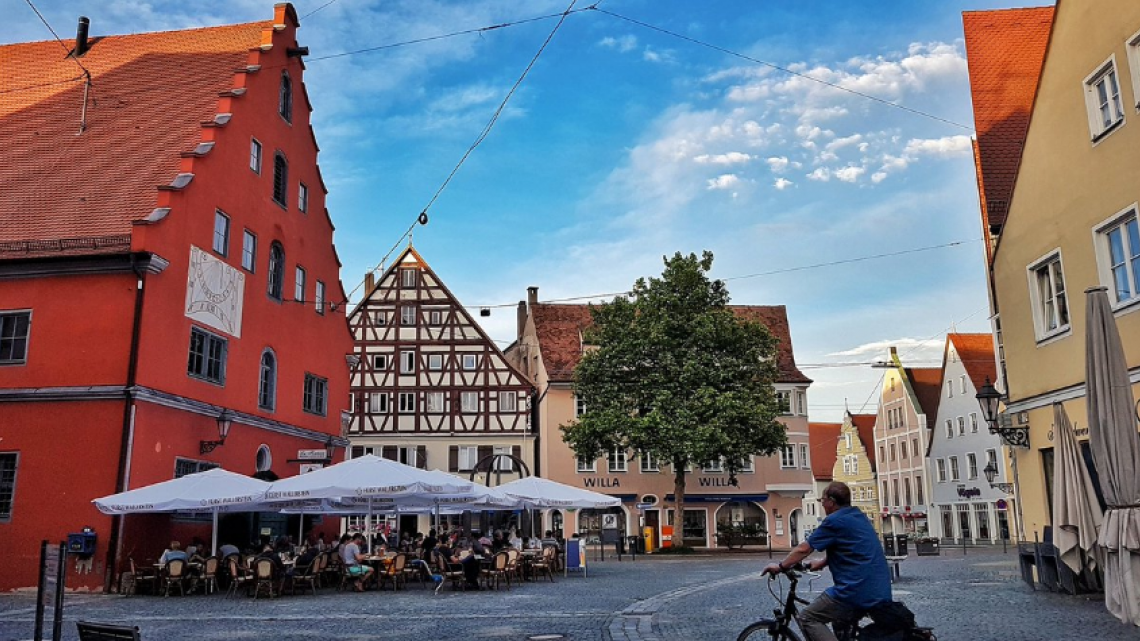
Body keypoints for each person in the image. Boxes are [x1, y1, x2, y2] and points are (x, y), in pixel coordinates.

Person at [763, 481, 892, 641]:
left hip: (855, 591)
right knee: (840, 623)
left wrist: (780, 566)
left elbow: (804, 549)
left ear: (831, 501)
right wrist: (824, 562)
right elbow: (853, 549)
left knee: (808, 618)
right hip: (878, 588)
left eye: (822, 500)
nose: (822, 504)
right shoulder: (858, 515)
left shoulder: (834, 520)